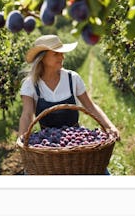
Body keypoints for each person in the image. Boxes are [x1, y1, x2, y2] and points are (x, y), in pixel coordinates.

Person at [18, 34, 120, 174]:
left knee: (102, 174)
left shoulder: (72, 78)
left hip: (76, 146)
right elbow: (27, 114)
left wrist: (110, 126)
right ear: (43, 58)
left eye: (62, 53)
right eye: (56, 54)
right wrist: (23, 143)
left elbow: (90, 107)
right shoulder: (31, 84)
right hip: (46, 149)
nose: (62, 57)